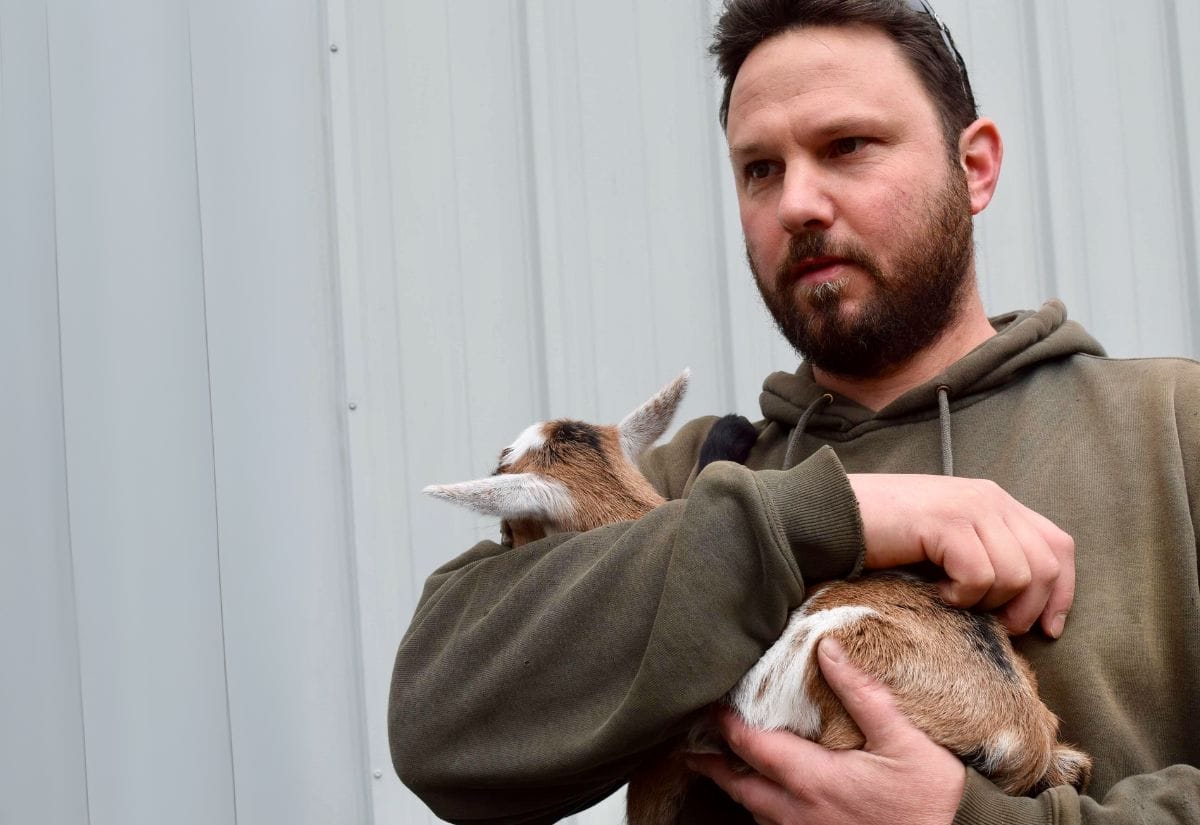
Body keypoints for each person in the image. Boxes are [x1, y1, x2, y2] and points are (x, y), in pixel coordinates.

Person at [389, 1, 1200, 823]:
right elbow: (439, 727)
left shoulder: (1172, 427)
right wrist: (824, 516)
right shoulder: (690, 482)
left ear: (976, 167)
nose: (797, 204)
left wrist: (971, 818)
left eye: (846, 146)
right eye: (760, 170)